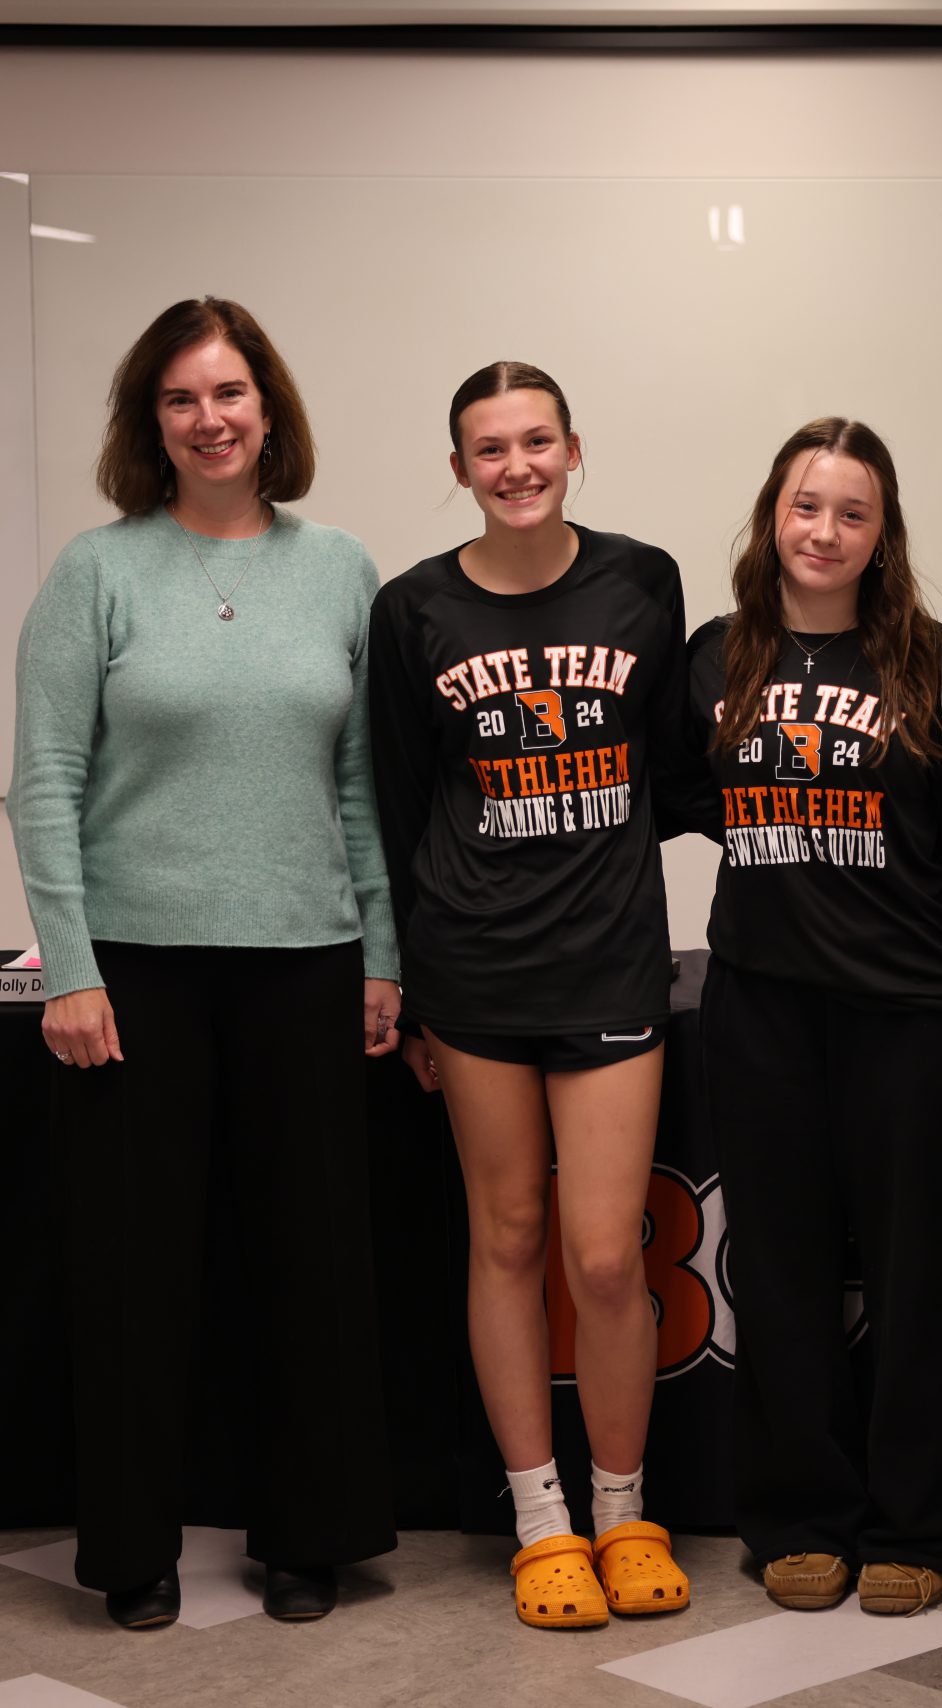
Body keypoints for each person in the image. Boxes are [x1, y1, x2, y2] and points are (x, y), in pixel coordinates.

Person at [7, 296, 400, 1631]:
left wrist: (383, 960)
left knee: (314, 1267)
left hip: (309, 961)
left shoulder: (343, 568)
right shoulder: (96, 572)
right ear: (150, 424)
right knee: (135, 1276)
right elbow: (47, 781)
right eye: (182, 398)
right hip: (137, 972)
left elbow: (364, 786)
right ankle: (134, 1551)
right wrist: (69, 968)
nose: (211, 418)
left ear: (269, 412)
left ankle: (312, 1538)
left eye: (231, 393)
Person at [367, 362, 698, 1631]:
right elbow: (399, 803)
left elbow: (674, 763)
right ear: (458, 468)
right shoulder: (414, 611)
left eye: (536, 441)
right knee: (505, 1238)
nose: (516, 466)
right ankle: (541, 1522)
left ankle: (622, 1511)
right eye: (488, 449)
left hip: (611, 960)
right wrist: (395, 979)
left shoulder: (643, 580)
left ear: (573, 449)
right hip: (474, 972)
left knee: (607, 1256)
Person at [688, 418, 942, 1616]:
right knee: (776, 1275)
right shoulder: (714, 658)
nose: (823, 531)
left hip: (912, 1016)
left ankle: (919, 1527)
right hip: (762, 1013)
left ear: (882, 535)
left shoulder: (936, 663)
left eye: (851, 512)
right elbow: (652, 807)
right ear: (770, 517)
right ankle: (798, 1515)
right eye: (804, 506)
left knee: (914, 1278)